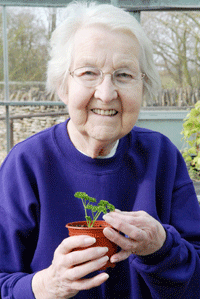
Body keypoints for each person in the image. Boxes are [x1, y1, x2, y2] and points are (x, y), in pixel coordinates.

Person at [0, 2, 200, 298]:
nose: (106, 94)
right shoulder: (27, 163)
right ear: (62, 85)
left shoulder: (162, 157)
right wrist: (45, 285)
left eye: (124, 75)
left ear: (144, 88)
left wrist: (162, 249)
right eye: (88, 72)